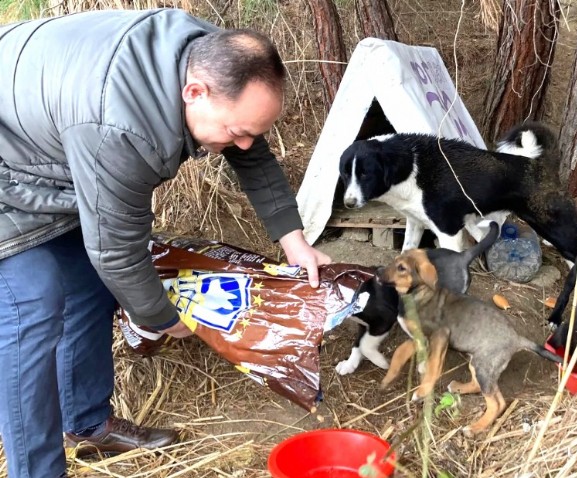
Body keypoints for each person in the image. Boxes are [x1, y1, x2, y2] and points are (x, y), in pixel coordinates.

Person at [0, 8, 331, 477]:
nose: (242, 144)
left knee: (90, 284)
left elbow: (250, 147)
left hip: (50, 144)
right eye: (235, 132)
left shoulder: (215, 58)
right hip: (9, 161)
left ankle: (87, 425)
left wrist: (294, 242)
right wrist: (164, 318)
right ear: (194, 92)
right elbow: (117, 252)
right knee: (31, 301)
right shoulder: (121, 126)